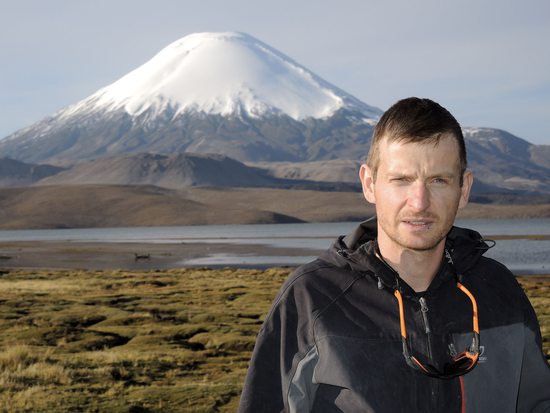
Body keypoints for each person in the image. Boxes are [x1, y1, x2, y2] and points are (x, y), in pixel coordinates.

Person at [238, 97, 550, 412]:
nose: (419, 202)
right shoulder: (313, 298)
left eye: (438, 180)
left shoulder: (499, 292)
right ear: (369, 184)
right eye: (401, 180)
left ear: (464, 188)